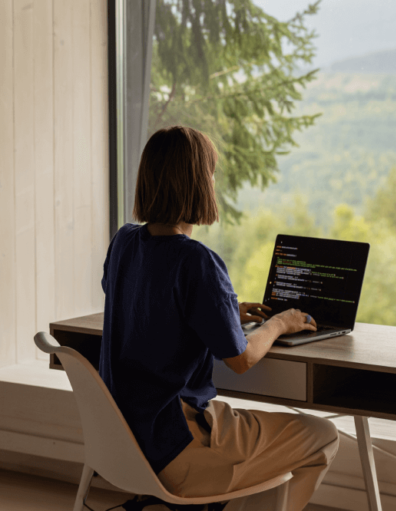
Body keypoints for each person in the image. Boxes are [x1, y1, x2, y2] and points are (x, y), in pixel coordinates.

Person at [99, 126, 339, 510]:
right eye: (211, 172)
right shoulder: (197, 261)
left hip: (126, 443)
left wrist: (216, 312)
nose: (214, 181)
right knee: (324, 435)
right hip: (178, 447)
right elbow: (241, 359)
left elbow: (136, 297)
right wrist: (278, 323)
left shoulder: (125, 241)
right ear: (196, 183)